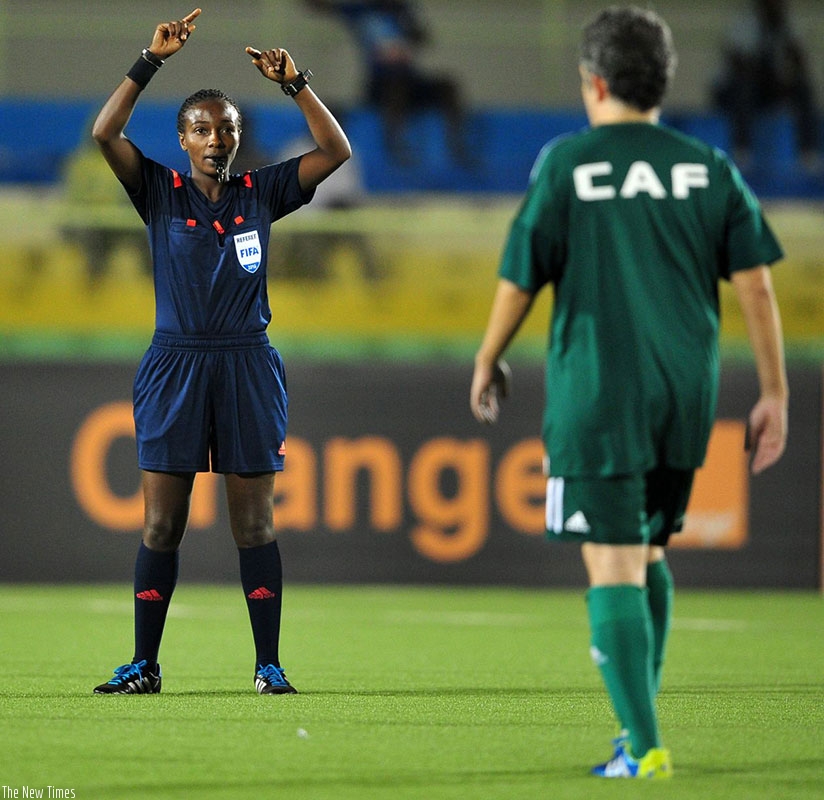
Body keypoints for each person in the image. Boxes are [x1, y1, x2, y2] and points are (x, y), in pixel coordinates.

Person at [470, 6, 787, 779]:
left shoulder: (569, 163)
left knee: (611, 565)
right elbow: (755, 284)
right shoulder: (708, 166)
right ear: (662, 81)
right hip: (685, 394)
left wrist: (488, 356)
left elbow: (522, 273)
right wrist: (775, 391)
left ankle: (644, 747)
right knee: (647, 554)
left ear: (596, 81)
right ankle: (633, 730)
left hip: (599, 393)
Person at [91, 8, 351, 695]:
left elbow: (337, 152)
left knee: (254, 523)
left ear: (239, 138)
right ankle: (145, 664)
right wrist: (150, 61)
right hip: (175, 364)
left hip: (246, 362)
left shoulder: (260, 194)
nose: (215, 138)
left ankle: (268, 666)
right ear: (181, 140)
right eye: (202, 129)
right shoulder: (158, 192)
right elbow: (104, 132)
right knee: (160, 523)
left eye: (226, 128)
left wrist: (296, 83)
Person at [306, 0, 470, 167]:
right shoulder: (361, 11)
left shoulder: (402, 10)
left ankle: (457, 142)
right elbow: (321, 7)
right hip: (380, 86)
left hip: (410, 81)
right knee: (396, 87)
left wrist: (409, 28)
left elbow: (423, 38)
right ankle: (395, 145)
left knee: (447, 86)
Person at [711, 0, 820, 172]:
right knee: (745, 88)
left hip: (770, 88)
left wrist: (785, 77)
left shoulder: (788, 23)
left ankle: (809, 154)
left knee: (802, 88)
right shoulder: (744, 22)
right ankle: (742, 151)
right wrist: (772, 79)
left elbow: (800, 62)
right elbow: (739, 66)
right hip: (732, 90)